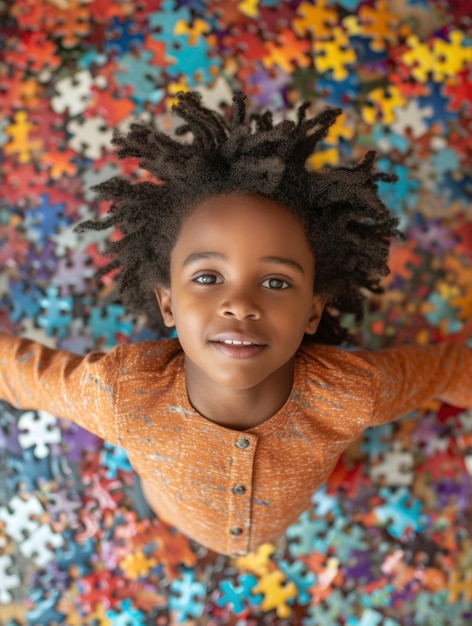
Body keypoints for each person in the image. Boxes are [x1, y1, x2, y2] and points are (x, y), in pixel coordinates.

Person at [1, 92, 471, 557]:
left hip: (285, 516)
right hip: (170, 509)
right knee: (156, 505)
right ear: (168, 303)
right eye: (208, 277)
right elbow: (30, 376)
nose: (240, 305)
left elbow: (447, 368)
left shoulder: (354, 393)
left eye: (275, 281)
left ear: (313, 309)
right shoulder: (120, 393)